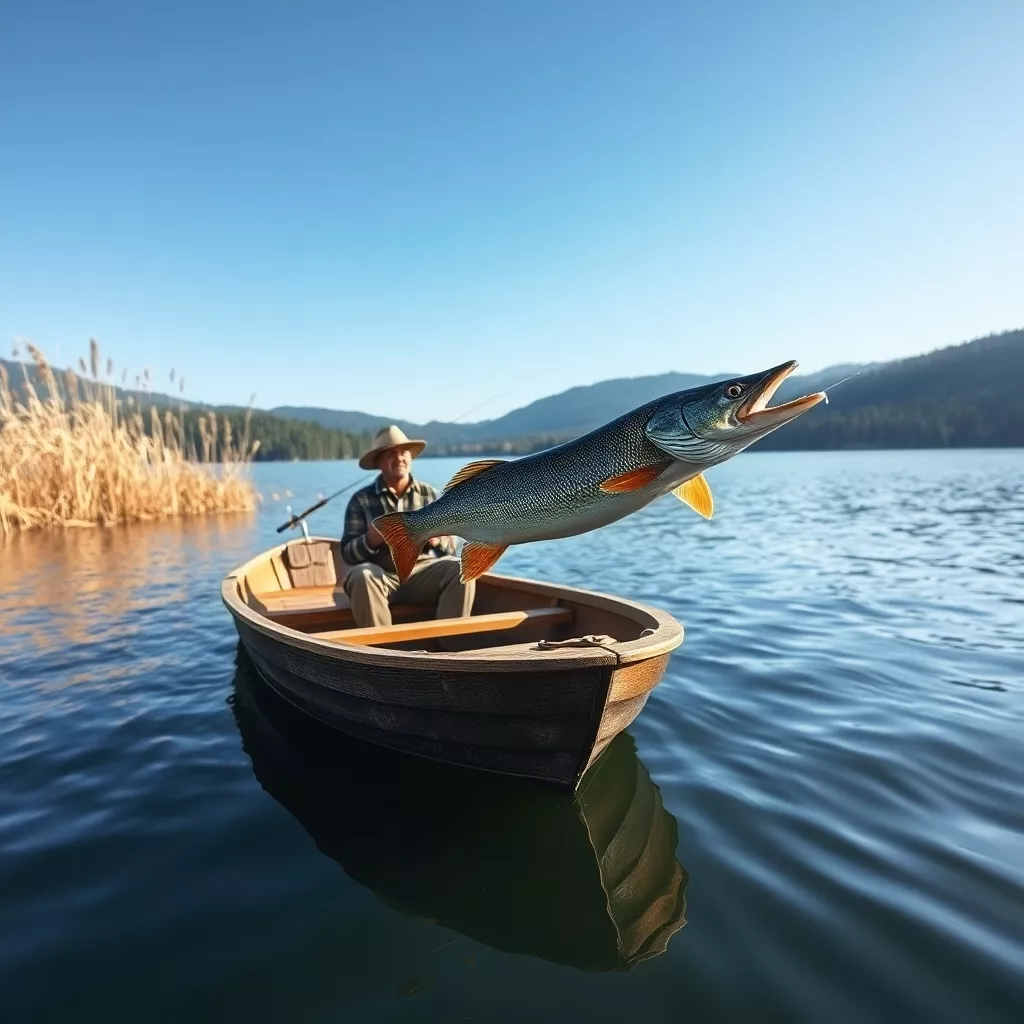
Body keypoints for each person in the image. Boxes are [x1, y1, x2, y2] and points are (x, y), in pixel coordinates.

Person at [341, 425, 475, 628]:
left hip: (423, 573)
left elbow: (453, 544)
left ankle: (450, 648)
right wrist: (369, 540)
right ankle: (380, 651)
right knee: (361, 575)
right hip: (381, 575)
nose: (399, 458)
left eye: (403, 452)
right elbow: (348, 554)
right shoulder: (361, 500)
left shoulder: (430, 495)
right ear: (378, 461)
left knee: (462, 568)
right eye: (391, 453)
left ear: (411, 458)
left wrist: (438, 539)